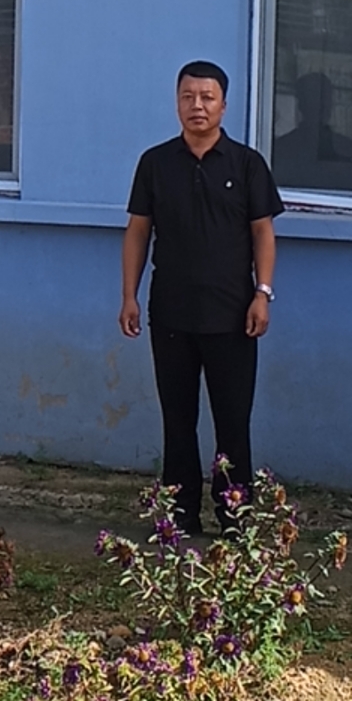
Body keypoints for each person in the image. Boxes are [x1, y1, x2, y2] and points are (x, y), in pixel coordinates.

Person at [119, 61, 284, 533]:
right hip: (171, 313)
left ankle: (235, 518)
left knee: (232, 421)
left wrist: (262, 293)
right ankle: (180, 516)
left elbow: (263, 233)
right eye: (188, 96)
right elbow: (137, 232)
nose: (197, 105)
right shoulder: (156, 163)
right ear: (177, 103)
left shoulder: (246, 164)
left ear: (223, 105)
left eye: (207, 97)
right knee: (177, 419)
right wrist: (129, 295)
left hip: (233, 315)